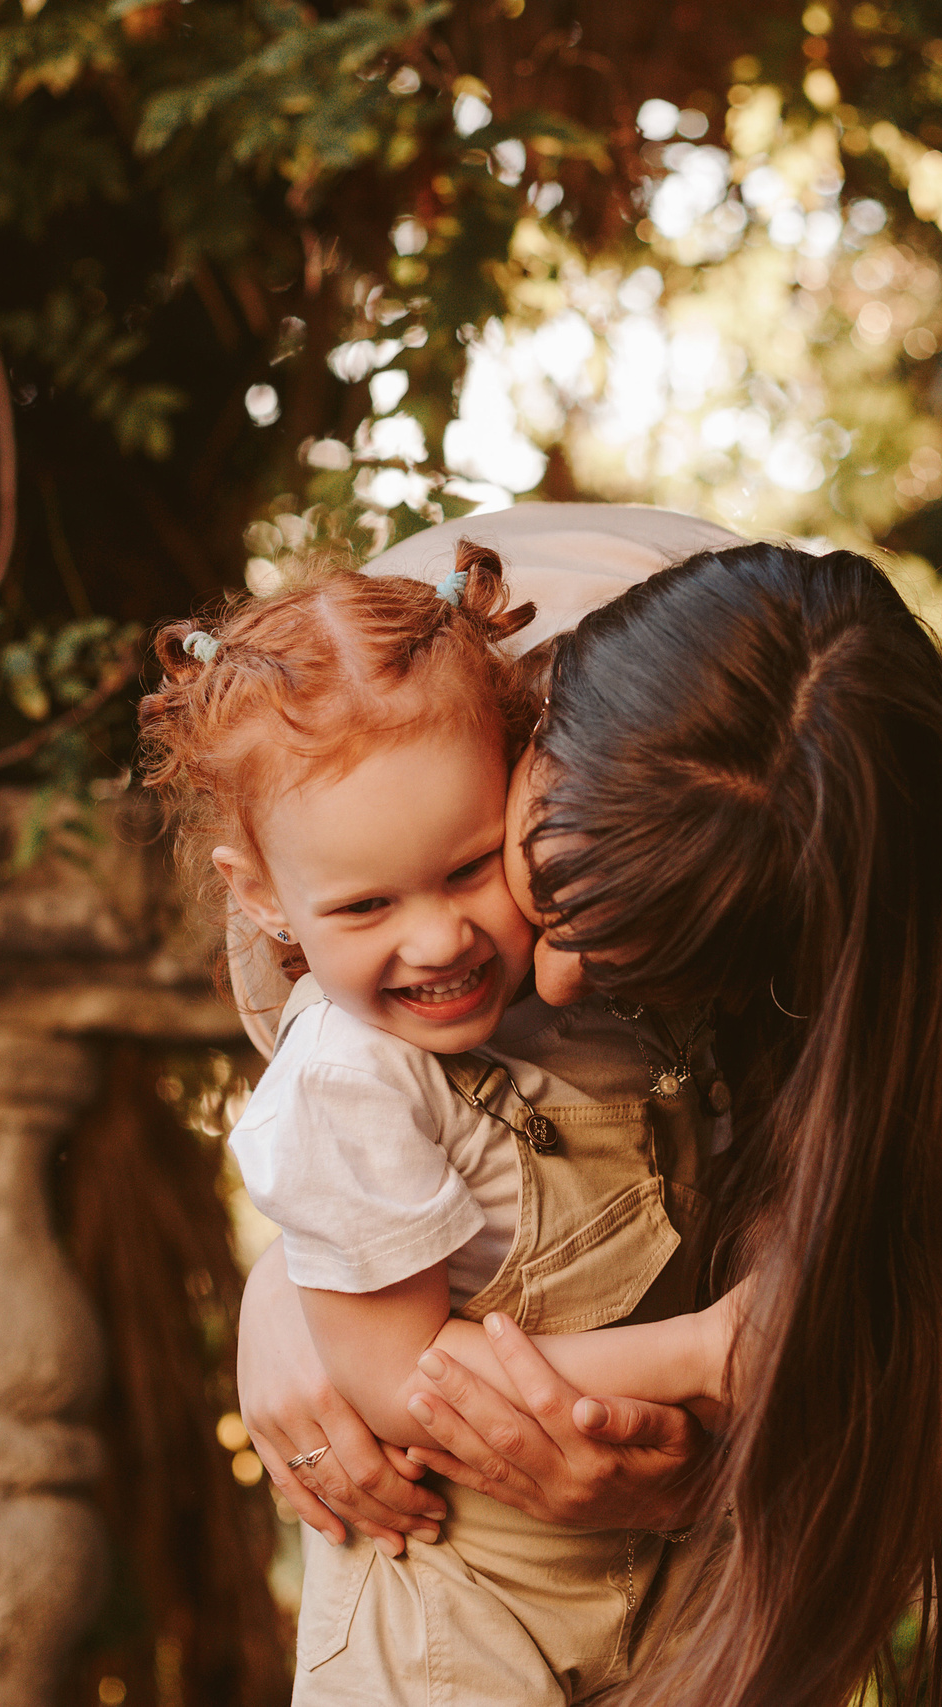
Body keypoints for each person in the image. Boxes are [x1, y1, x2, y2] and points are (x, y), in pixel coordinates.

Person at [234, 511, 942, 1707]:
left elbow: (828, 1335)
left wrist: (700, 1471)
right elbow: (332, 1102)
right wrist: (289, 1284)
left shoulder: (840, 932)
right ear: (522, 724)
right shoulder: (372, 709)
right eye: (552, 891)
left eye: (645, 973)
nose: (554, 985)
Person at [137, 540, 747, 1704]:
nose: (437, 941)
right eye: (365, 905)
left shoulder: (604, 999)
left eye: (470, 869)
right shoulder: (347, 1079)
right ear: (261, 894)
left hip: (659, 1580)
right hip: (444, 1607)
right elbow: (398, 1377)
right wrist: (709, 1353)